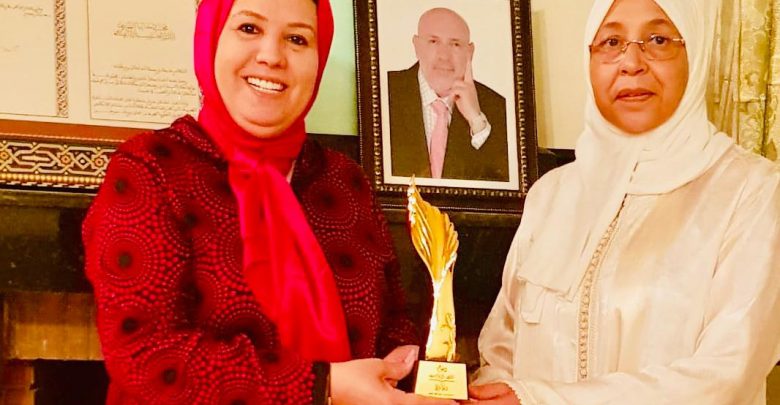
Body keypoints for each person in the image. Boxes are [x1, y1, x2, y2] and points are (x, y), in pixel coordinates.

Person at [81, 0, 457, 404]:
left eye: (297, 39)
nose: (272, 56)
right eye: (249, 29)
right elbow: (146, 356)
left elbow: (393, 320)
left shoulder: (344, 179)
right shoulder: (152, 168)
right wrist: (323, 385)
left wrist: (419, 375)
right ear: (211, 38)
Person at [469, 0, 780, 404]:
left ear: (696, 52)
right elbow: (499, 349)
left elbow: (728, 372)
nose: (631, 63)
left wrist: (537, 400)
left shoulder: (751, 190)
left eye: (658, 40)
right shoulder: (551, 195)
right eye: (611, 42)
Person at [387, 7, 509, 182]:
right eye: (433, 41)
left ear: (470, 52)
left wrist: (476, 121)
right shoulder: (385, 91)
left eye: (455, 44)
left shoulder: (498, 107)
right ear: (416, 46)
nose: (444, 56)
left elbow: (502, 183)